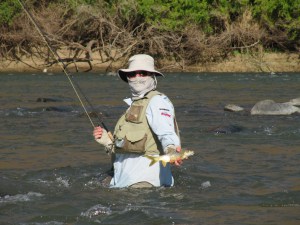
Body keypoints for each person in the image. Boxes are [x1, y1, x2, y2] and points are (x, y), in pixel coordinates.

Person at [93, 54, 182, 188]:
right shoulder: (132, 105)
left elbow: (167, 133)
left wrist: (172, 150)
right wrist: (107, 142)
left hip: (144, 183)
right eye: (133, 74)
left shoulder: (157, 101)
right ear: (128, 78)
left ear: (152, 76)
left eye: (143, 73)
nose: (137, 77)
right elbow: (126, 147)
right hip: (123, 182)